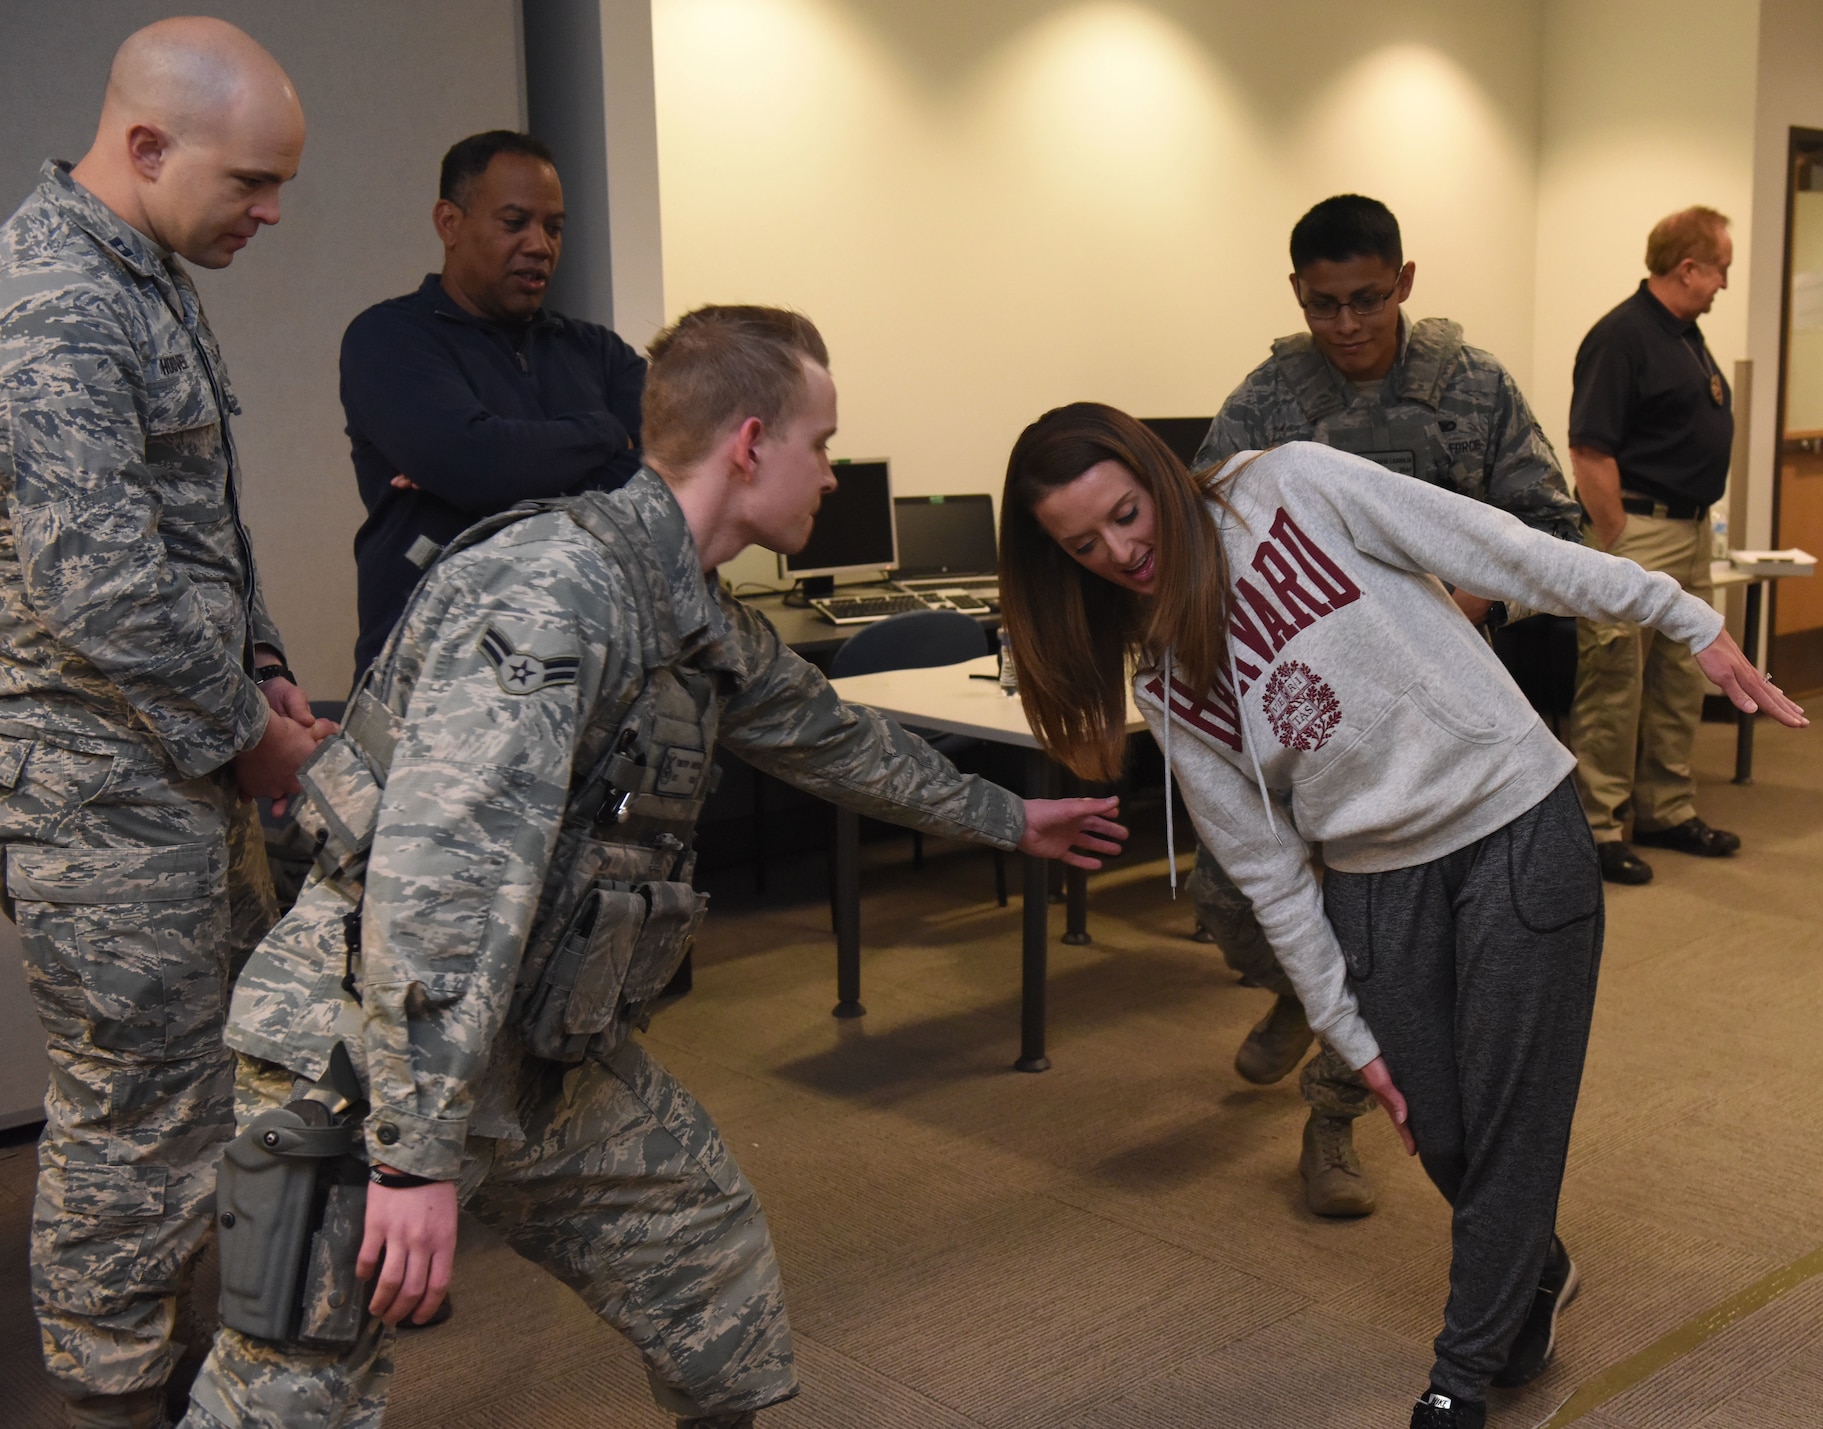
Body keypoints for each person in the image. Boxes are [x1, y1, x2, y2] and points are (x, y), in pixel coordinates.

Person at [175, 306, 1126, 1429]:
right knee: (288, 1393)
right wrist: (412, 1157)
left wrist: (1012, 821)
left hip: (535, 1049)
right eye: (821, 444)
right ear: (750, 442)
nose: (831, 474)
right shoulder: (553, 589)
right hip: (366, 1052)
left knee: (703, 1257)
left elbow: (832, 737)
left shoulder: (686, 609)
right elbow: (447, 877)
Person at [998, 404, 1803, 1428]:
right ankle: (1532, 1270)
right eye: (1084, 545)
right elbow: (1268, 873)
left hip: (1511, 821)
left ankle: (1457, 1379)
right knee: (1438, 1128)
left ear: (1157, 475)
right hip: (1375, 884)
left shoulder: (1288, 485)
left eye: (1126, 512)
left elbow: (1503, 551)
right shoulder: (1162, 681)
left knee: (1511, 1125)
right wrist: (1337, 1024)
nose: (1121, 549)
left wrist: (1679, 616)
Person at [0, 19, 332, 1429]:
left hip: (175, 771)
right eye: (251, 184)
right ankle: (113, 1401)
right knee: (130, 1130)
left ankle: (205, 1379)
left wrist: (257, 664)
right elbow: (101, 582)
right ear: (145, 147)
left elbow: (195, 528)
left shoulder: (145, 272)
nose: (268, 214)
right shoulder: (57, 295)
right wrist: (242, 730)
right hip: (102, 798)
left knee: (210, 1098)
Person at [1190, 194, 1583, 1219]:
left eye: (1365, 299)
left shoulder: (1470, 386)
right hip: (1313, 708)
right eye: (1323, 305)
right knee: (1231, 897)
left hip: (1432, 720)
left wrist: (1449, 601)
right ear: (1296, 296)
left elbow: (1549, 524)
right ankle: (1290, 983)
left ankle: (1329, 1121)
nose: (1345, 325)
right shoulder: (1268, 398)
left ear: (1403, 282)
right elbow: (1206, 531)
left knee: (1390, 949)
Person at [340, 129, 647, 684]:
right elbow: (477, 465)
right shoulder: (388, 337)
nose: (540, 245)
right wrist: (604, 434)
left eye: (553, 227)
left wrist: (499, 459)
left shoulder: (599, 353)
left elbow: (666, 482)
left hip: (577, 670)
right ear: (449, 223)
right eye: (515, 223)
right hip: (432, 673)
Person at [1568, 206, 1741, 885]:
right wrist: (1617, 538)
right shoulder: (1623, 337)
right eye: (1720, 267)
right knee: (1615, 681)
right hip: (1639, 532)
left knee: (1680, 675)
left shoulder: (1685, 335)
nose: (1725, 281)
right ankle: (1599, 824)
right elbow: (1589, 450)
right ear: (1687, 267)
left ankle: (1666, 806)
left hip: (1690, 530)